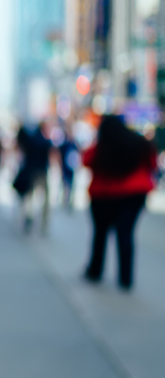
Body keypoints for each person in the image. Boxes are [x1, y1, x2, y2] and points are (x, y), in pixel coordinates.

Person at [82, 115, 157, 290]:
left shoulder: (101, 148)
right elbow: (152, 164)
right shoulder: (140, 145)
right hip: (134, 195)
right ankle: (125, 278)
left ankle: (95, 270)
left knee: (100, 234)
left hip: (103, 196)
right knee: (126, 235)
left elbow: (86, 160)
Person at [58, 126, 79, 209]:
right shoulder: (65, 144)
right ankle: (65, 200)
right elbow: (60, 156)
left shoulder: (74, 143)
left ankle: (69, 201)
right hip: (65, 168)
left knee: (71, 185)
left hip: (71, 169)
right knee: (65, 185)